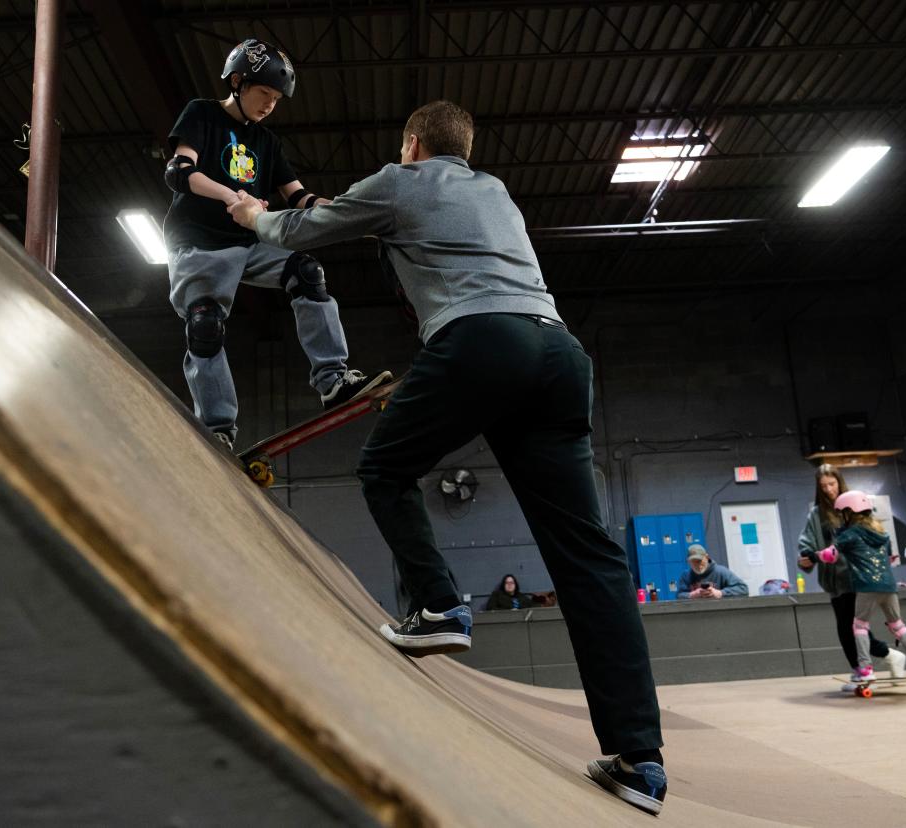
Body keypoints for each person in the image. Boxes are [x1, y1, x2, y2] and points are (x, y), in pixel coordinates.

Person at [229, 100, 667, 815]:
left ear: (412, 143)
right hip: (558, 352)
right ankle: (639, 760)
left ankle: (437, 605)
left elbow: (306, 228)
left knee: (385, 468)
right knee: (588, 556)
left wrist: (255, 214)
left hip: (481, 342)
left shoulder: (403, 180)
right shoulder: (494, 192)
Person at [161, 38, 390, 450]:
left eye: (276, 99)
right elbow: (180, 171)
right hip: (197, 242)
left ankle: (332, 380)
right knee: (205, 324)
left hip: (248, 242)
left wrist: (341, 210)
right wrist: (233, 196)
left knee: (306, 271)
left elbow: (298, 196)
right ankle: (217, 429)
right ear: (237, 82)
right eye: (263, 93)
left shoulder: (267, 142)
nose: (270, 104)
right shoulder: (203, 114)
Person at [797, 464, 906, 687]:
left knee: (852, 626)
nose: (828, 489)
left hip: (857, 575)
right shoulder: (816, 514)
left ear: (840, 481)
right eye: (823, 486)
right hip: (833, 579)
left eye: (832, 483)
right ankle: (873, 663)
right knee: (847, 627)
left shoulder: (854, 506)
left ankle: (870, 665)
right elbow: (807, 542)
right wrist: (805, 557)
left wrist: (884, 557)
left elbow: (874, 531)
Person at [816, 491, 906, 683]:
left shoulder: (850, 534)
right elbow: (888, 558)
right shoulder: (882, 534)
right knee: (898, 625)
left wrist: (819, 554)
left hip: (866, 586)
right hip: (888, 586)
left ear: (848, 512)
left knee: (859, 626)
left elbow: (831, 555)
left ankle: (865, 669)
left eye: (842, 513)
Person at [677, 545, 748, 599]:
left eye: (699, 561)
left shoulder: (721, 572)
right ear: (688, 562)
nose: (697, 565)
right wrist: (692, 594)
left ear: (707, 558)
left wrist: (720, 593)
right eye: (693, 562)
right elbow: (679, 595)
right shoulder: (686, 576)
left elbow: (743, 589)